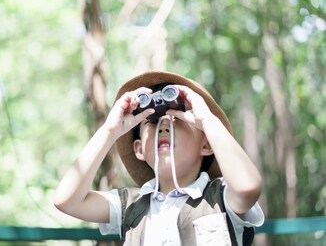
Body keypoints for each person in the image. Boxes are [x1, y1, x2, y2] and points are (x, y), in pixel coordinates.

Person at [53, 70, 264, 246]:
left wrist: (207, 119)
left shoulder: (220, 198)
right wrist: (109, 131)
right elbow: (67, 201)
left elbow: (248, 187)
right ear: (139, 149)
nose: (164, 125)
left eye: (177, 119)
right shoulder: (130, 206)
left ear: (207, 144)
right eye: (152, 122)